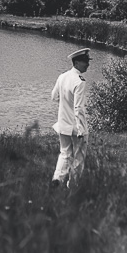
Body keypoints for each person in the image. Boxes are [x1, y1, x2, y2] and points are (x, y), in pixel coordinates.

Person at [50, 48, 91, 188]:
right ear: (77, 62)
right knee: (79, 156)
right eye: (85, 61)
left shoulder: (62, 76)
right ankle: (73, 185)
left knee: (65, 153)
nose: (88, 64)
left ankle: (57, 179)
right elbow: (78, 108)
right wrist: (81, 129)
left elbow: (53, 96)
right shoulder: (79, 81)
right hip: (75, 127)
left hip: (63, 124)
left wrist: (64, 106)